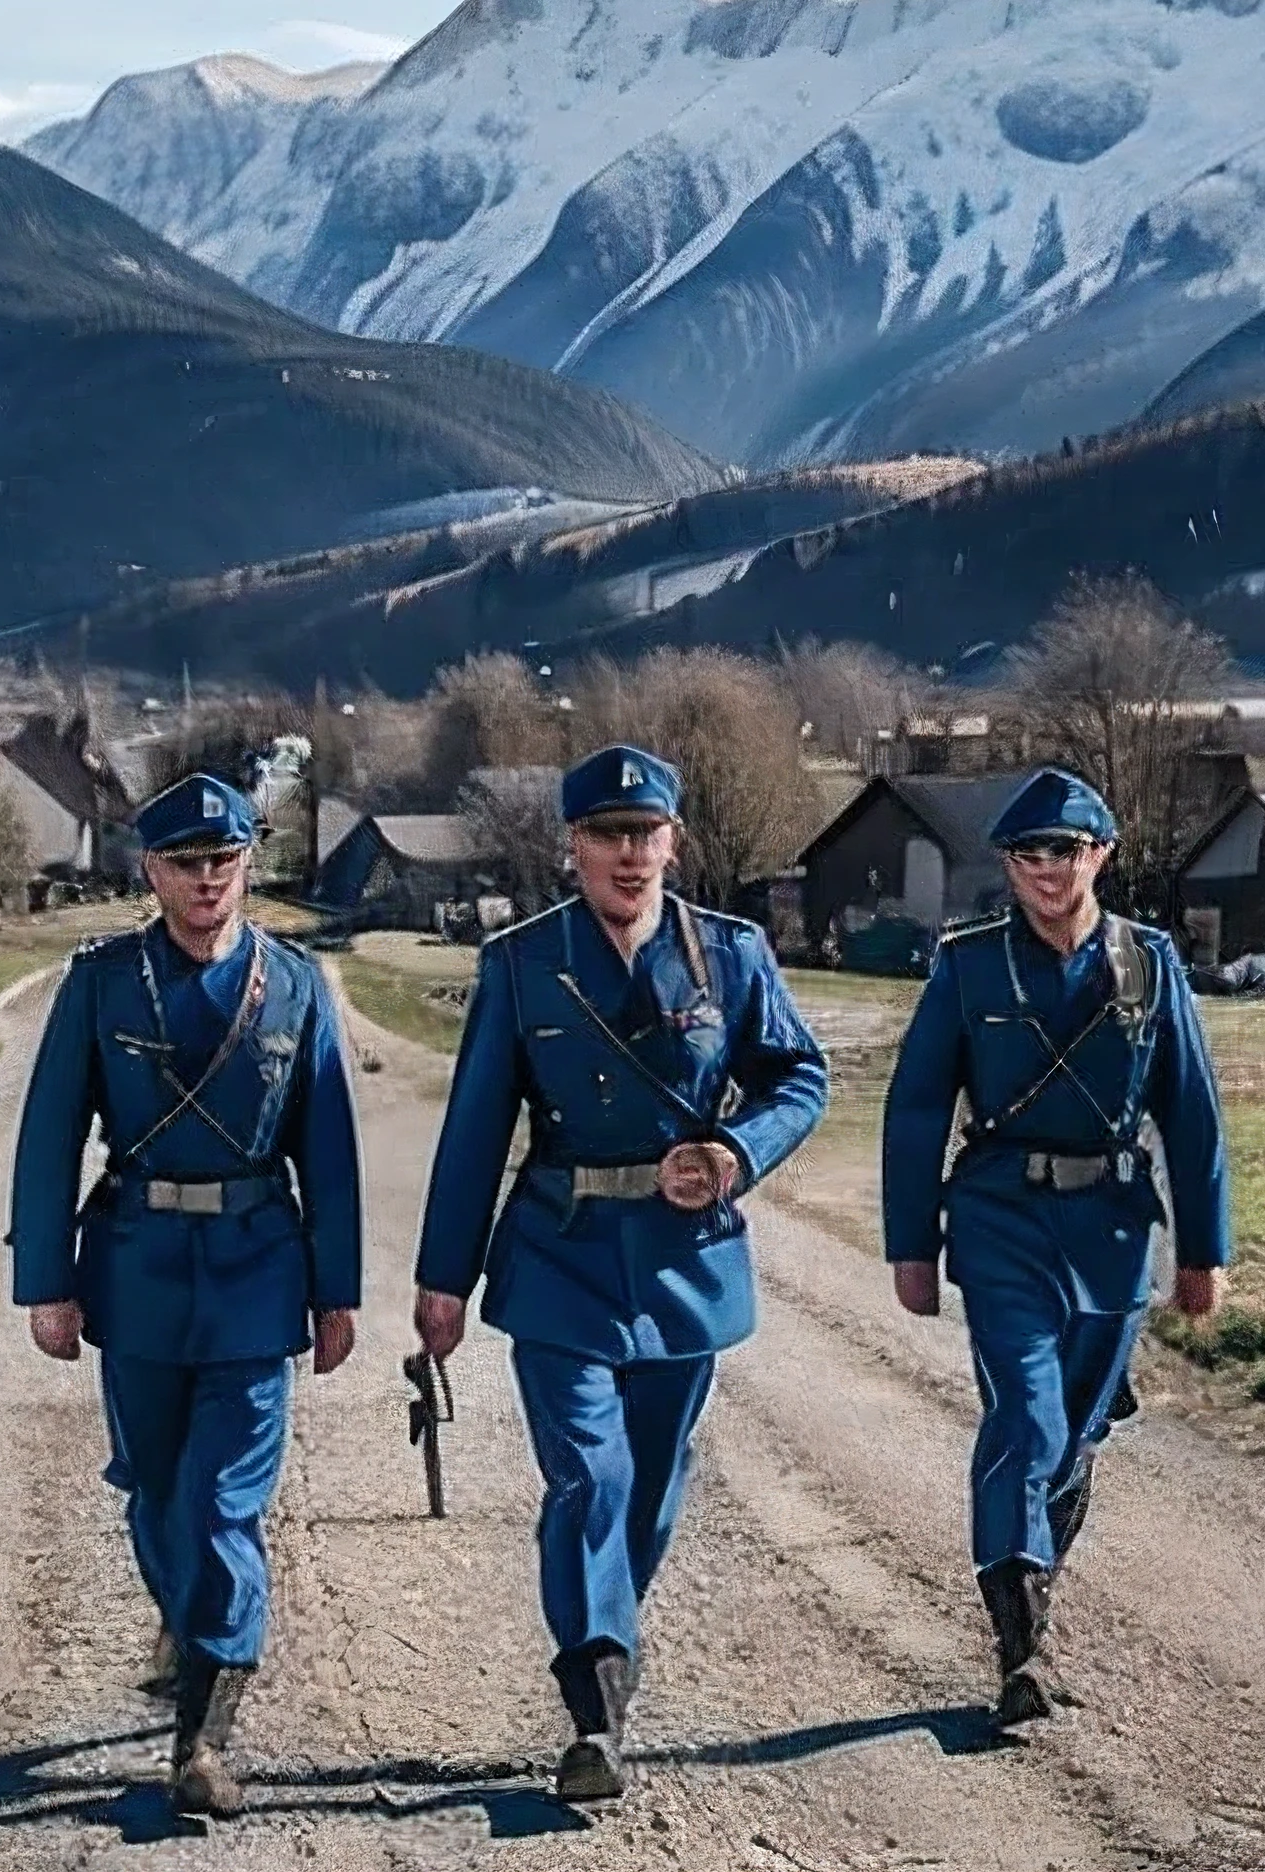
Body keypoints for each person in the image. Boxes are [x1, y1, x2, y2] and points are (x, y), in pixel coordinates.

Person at [412, 744, 831, 1803]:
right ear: (573, 847)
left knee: (649, 1484)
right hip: (560, 1253)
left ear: (672, 843)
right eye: (607, 835)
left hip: (684, 1263)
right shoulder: (521, 963)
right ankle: (594, 1700)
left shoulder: (729, 956)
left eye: (646, 835)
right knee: (586, 1475)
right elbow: (474, 1129)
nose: (629, 854)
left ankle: (611, 1633)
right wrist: (442, 1280)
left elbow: (799, 1075)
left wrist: (737, 1151)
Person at [10, 773, 364, 1824]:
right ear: (150, 870)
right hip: (139, 1266)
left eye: (224, 860)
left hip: (258, 1270)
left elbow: (330, 1155)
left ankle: (202, 1734)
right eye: (183, 862)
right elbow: (47, 1136)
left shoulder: (296, 987)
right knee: (156, 1491)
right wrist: (47, 1281)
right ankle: (191, 1620)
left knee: (223, 1504)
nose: (206, 880)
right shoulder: (102, 984)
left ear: (247, 864)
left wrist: (336, 1294)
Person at [878, 767, 1230, 1729]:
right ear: (1008, 864)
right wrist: (911, 1244)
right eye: (1028, 854)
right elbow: (916, 1109)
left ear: (1099, 856)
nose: (1046, 870)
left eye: (1064, 851)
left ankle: (1035, 1584)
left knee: (1074, 1435)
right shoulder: (969, 965)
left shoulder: (1149, 966)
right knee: (1027, 1422)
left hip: (1113, 1230)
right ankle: (1019, 1648)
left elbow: (1191, 1117)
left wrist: (1204, 1252)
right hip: (1000, 1222)